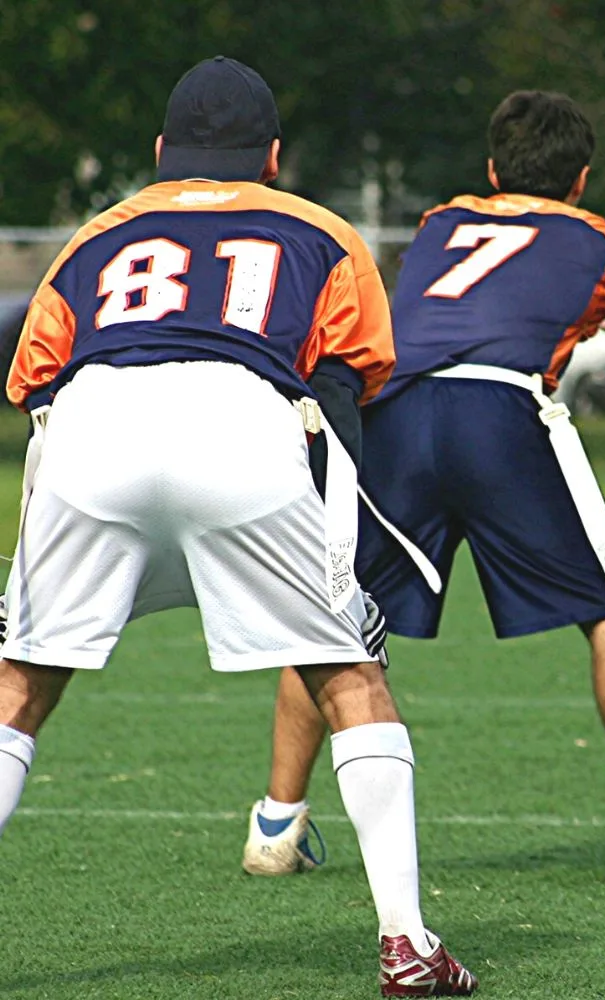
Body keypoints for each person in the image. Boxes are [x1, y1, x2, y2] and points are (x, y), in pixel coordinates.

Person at [0, 57, 476, 997]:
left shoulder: (95, 236)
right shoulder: (322, 230)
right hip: (240, 427)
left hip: (96, 429)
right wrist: (329, 544)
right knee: (351, 680)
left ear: (159, 152)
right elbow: (349, 383)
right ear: (272, 154)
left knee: (19, 686)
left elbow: (34, 384)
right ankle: (408, 944)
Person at [241, 90, 605, 884]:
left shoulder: (442, 221)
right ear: (583, 178)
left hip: (392, 413)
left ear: (494, 169)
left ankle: (275, 827)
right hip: (498, 407)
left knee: (334, 619)